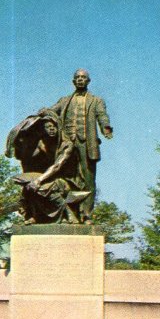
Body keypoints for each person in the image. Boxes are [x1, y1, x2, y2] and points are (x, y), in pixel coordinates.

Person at [49, 69, 113, 223]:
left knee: (88, 179)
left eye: (83, 77)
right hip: (68, 144)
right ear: (73, 81)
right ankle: (68, 214)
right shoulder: (65, 100)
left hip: (87, 144)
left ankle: (86, 214)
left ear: (88, 81)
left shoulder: (96, 100)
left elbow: (102, 115)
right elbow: (52, 112)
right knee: (66, 178)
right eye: (77, 77)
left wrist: (105, 127)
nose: (80, 79)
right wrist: (44, 112)